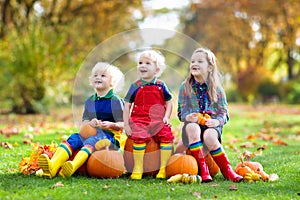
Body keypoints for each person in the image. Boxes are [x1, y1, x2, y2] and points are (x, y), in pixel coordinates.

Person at [38, 62, 125, 178]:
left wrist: (111, 125)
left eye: (103, 76)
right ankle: (53, 166)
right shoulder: (89, 101)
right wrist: (90, 123)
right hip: (91, 132)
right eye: (95, 75)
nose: (98, 77)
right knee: (74, 138)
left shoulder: (115, 101)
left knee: (92, 141)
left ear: (112, 81)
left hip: (109, 137)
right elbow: (84, 123)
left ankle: (73, 166)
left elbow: (123, 124)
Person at [177, 48, 243, 182]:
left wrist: (217, 122)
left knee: (210, 136)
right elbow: (181, 112)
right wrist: (187, 117)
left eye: (200, 61)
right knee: (192, 127)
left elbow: (224, 113)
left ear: (210, 67)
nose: (194, 64)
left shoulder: (216, 88)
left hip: (211, 125)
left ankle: (227, 170)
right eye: (192, 61)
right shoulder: (185, 87)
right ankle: (203, 170)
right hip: (193, 127)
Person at [123, 49, 174, 180]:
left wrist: (166, 117)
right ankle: (138, 167)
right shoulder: (135, 85)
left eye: (147, 63)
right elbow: (127, 105)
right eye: (140, 62)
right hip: (139, 119)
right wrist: (127, 124)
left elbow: (169, 102)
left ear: (157, 70)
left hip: (157, 120)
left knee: (166, 135)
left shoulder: (161, 85)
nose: (142, 65)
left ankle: (163, 168)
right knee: (139, 136)